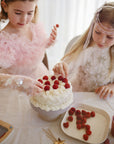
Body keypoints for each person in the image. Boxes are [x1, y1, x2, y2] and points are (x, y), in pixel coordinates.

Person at [53, 2, 114, 99]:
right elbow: (67, 65)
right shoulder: (85, 48)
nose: (101, 40)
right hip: (77, 96)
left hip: (101, 100)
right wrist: (61, 67)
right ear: (92, 27)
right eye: (97, 32)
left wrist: (112, 86)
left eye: (109, 37)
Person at [0, 0, 58, 96]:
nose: (24, 19)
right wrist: (20, 81)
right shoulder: (3, 41)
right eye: (18, 13)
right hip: (15, 90)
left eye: (30, 13)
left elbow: (33, 52)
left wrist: (48, 42)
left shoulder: (35, 27)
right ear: (5, 6)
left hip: (40, 76)